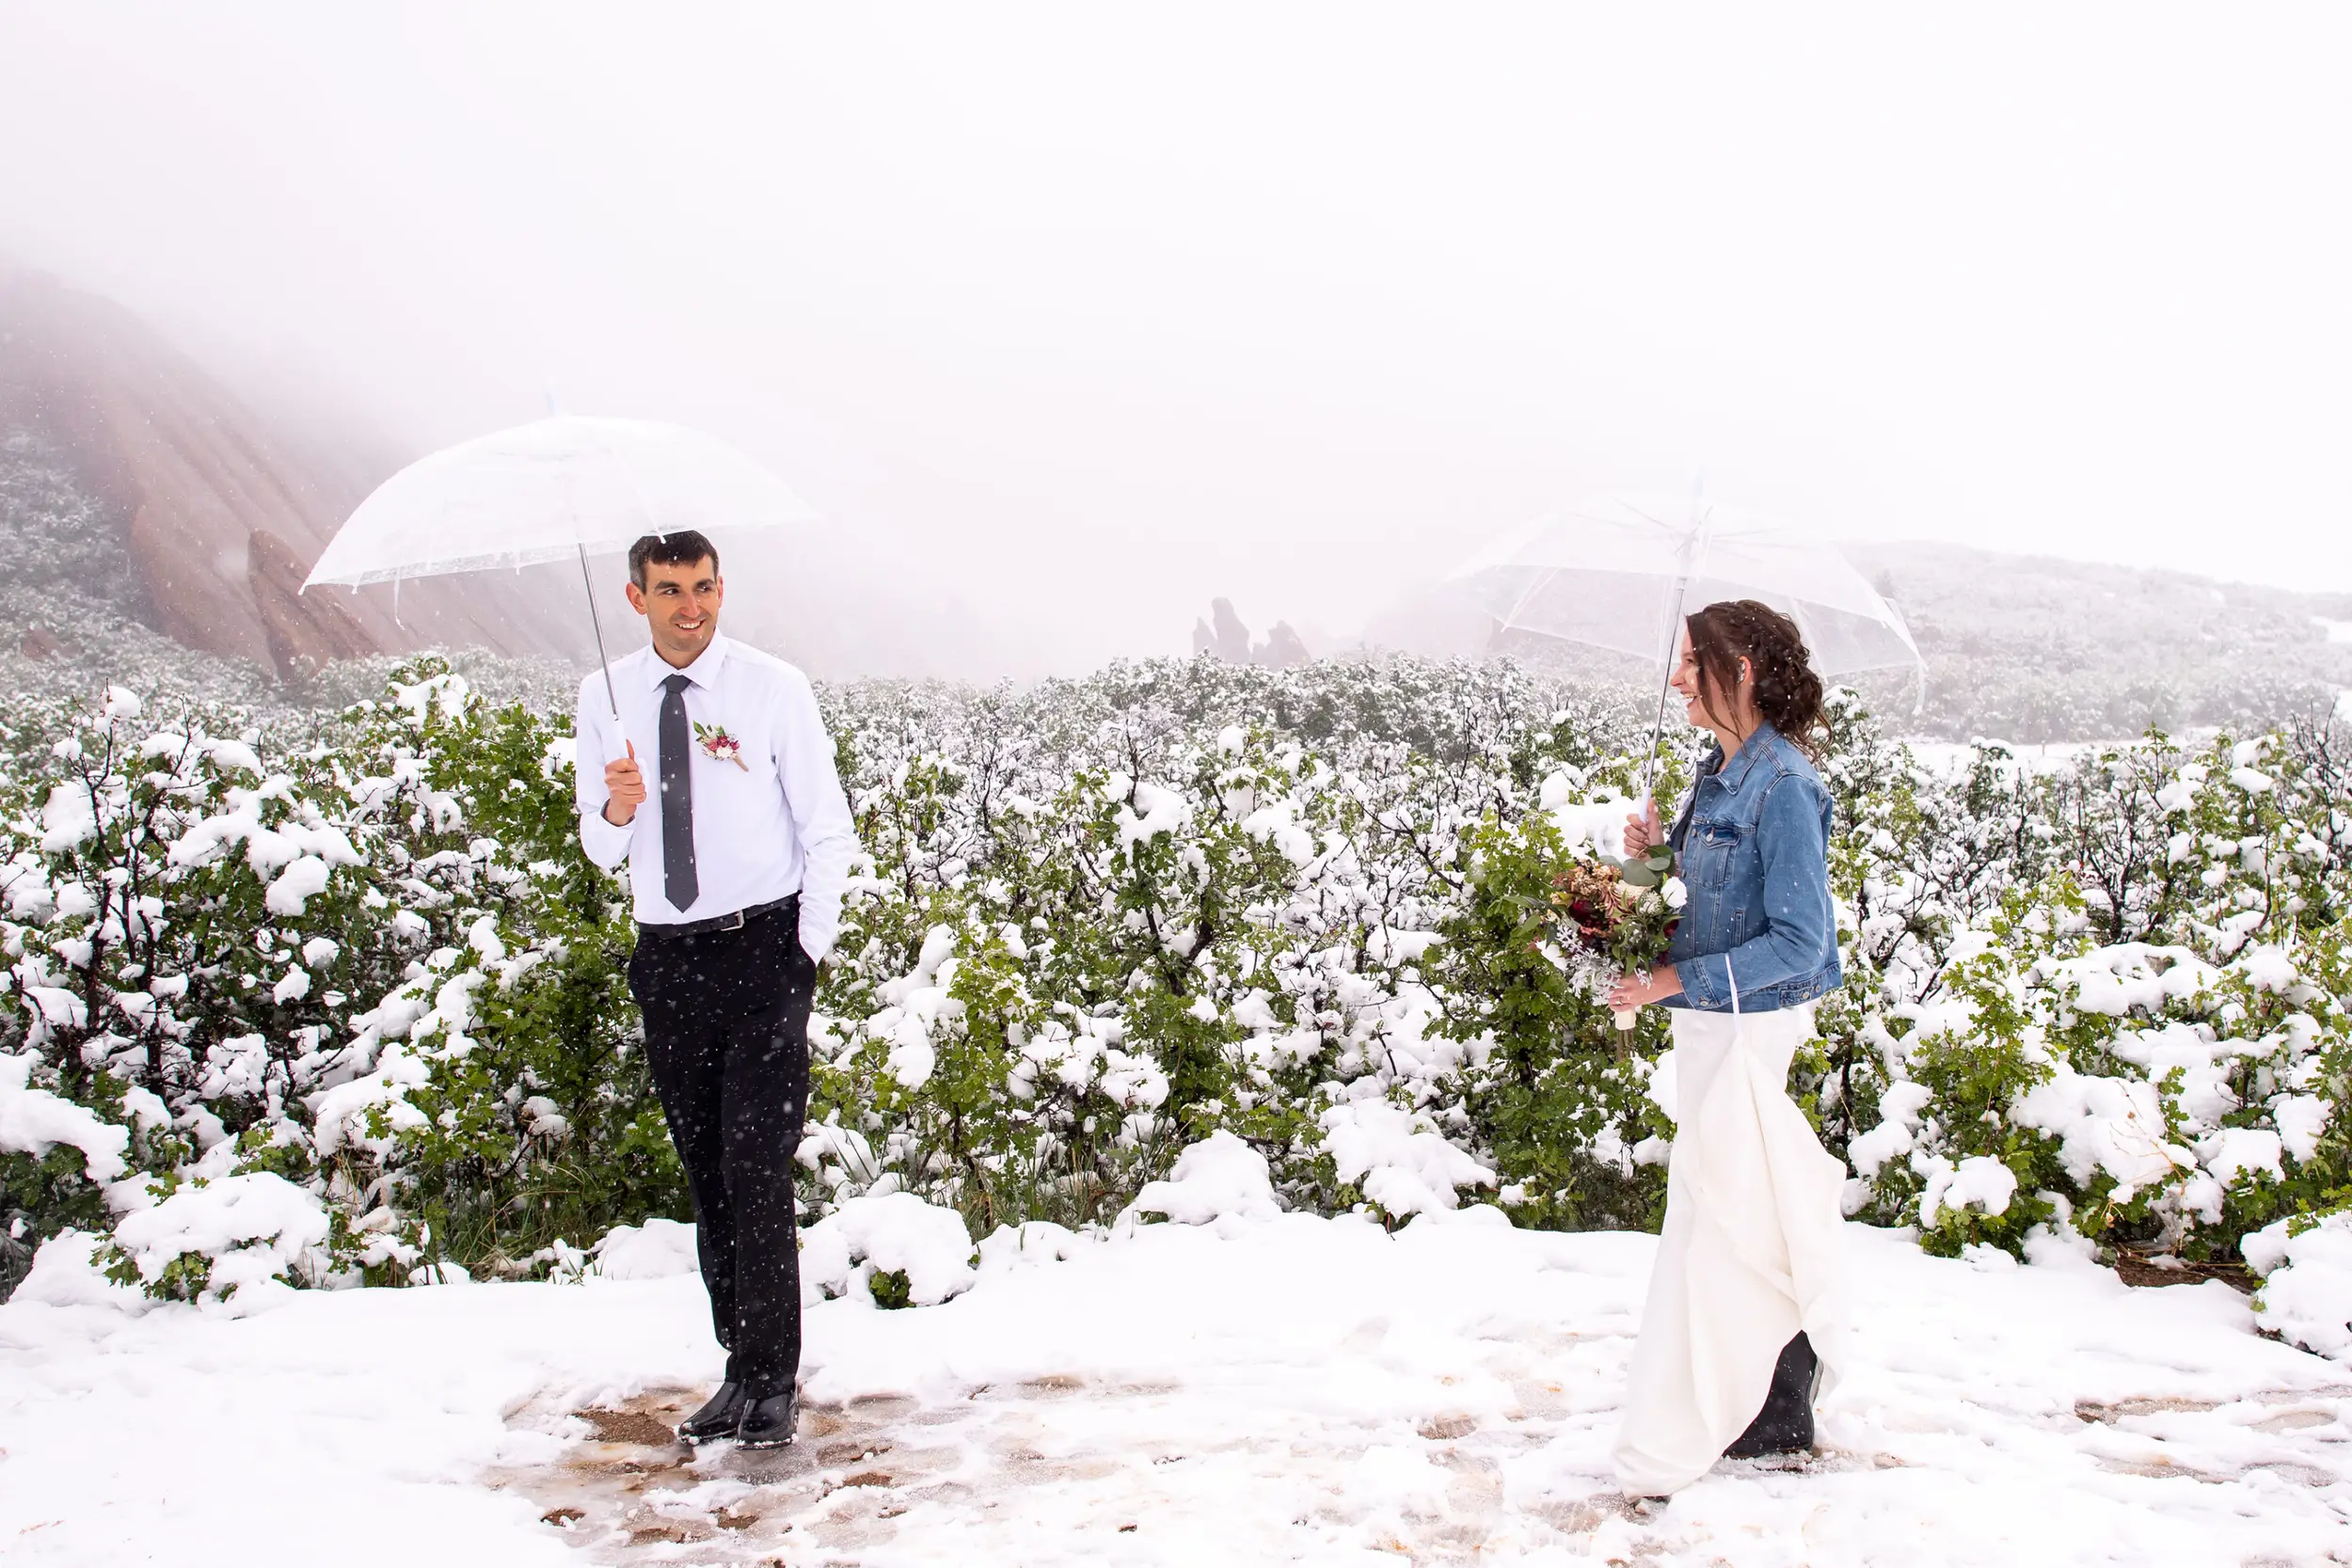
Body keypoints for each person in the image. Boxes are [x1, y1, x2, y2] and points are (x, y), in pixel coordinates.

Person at [573, 530, 857, 1449]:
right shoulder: (603, 697)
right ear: (635, 596)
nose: (689, 606)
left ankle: (771, 1374)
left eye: (703, 587)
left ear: (721, 589)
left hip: (762, 953)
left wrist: (804, 952)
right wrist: (616, 804)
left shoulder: (773, 689)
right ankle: (740, 1365)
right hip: (667, 960)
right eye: (669, 589)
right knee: (708, 1175)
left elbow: (827, 829)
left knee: (755, 1168)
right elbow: (600, 846)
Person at [1604, 598, 1849, 1498]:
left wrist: (1667, 983)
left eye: (1690, 660)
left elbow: (1801, 947)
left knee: (1742, 1218)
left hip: (1751, 1030)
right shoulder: (1720, 773)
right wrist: (1649, 858)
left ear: (1739, 668)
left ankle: (1771, 1414)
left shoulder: (1786, 787)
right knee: (1730, 1213)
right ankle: (1760, 1412)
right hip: (1711, 1029)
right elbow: (1701, 894)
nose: (1677, 677)